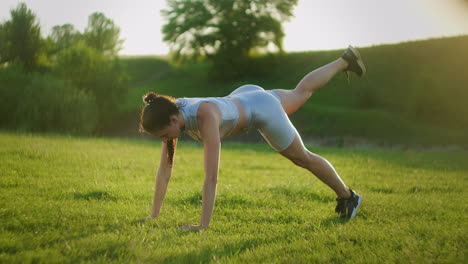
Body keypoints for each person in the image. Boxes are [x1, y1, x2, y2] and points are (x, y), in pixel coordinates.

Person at [139, 46, 366, 230]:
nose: (164, 140)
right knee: (301, 92)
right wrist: (153, 216)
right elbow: (164, 171)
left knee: (302, 157)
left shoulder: (204, 116)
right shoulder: (172, 108)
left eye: (162, 136)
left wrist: (202, 226)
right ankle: (345, 60)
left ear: (171, 121)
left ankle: (348, 196)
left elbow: (211, 178)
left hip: (262, 111)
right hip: (247, 95)